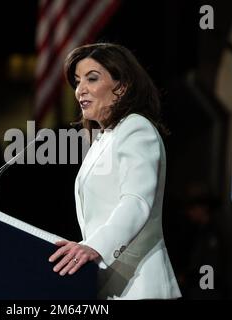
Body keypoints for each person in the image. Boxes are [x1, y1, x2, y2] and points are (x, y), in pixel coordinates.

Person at [48, 43, 182, 299]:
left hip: (142, 287)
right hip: (112, 287)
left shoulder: (136, 128)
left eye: (92, 78)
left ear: (121, 86)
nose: (80, 90)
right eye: (77, 81)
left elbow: (136, 202)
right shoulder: (104, 137)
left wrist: (93, 247)